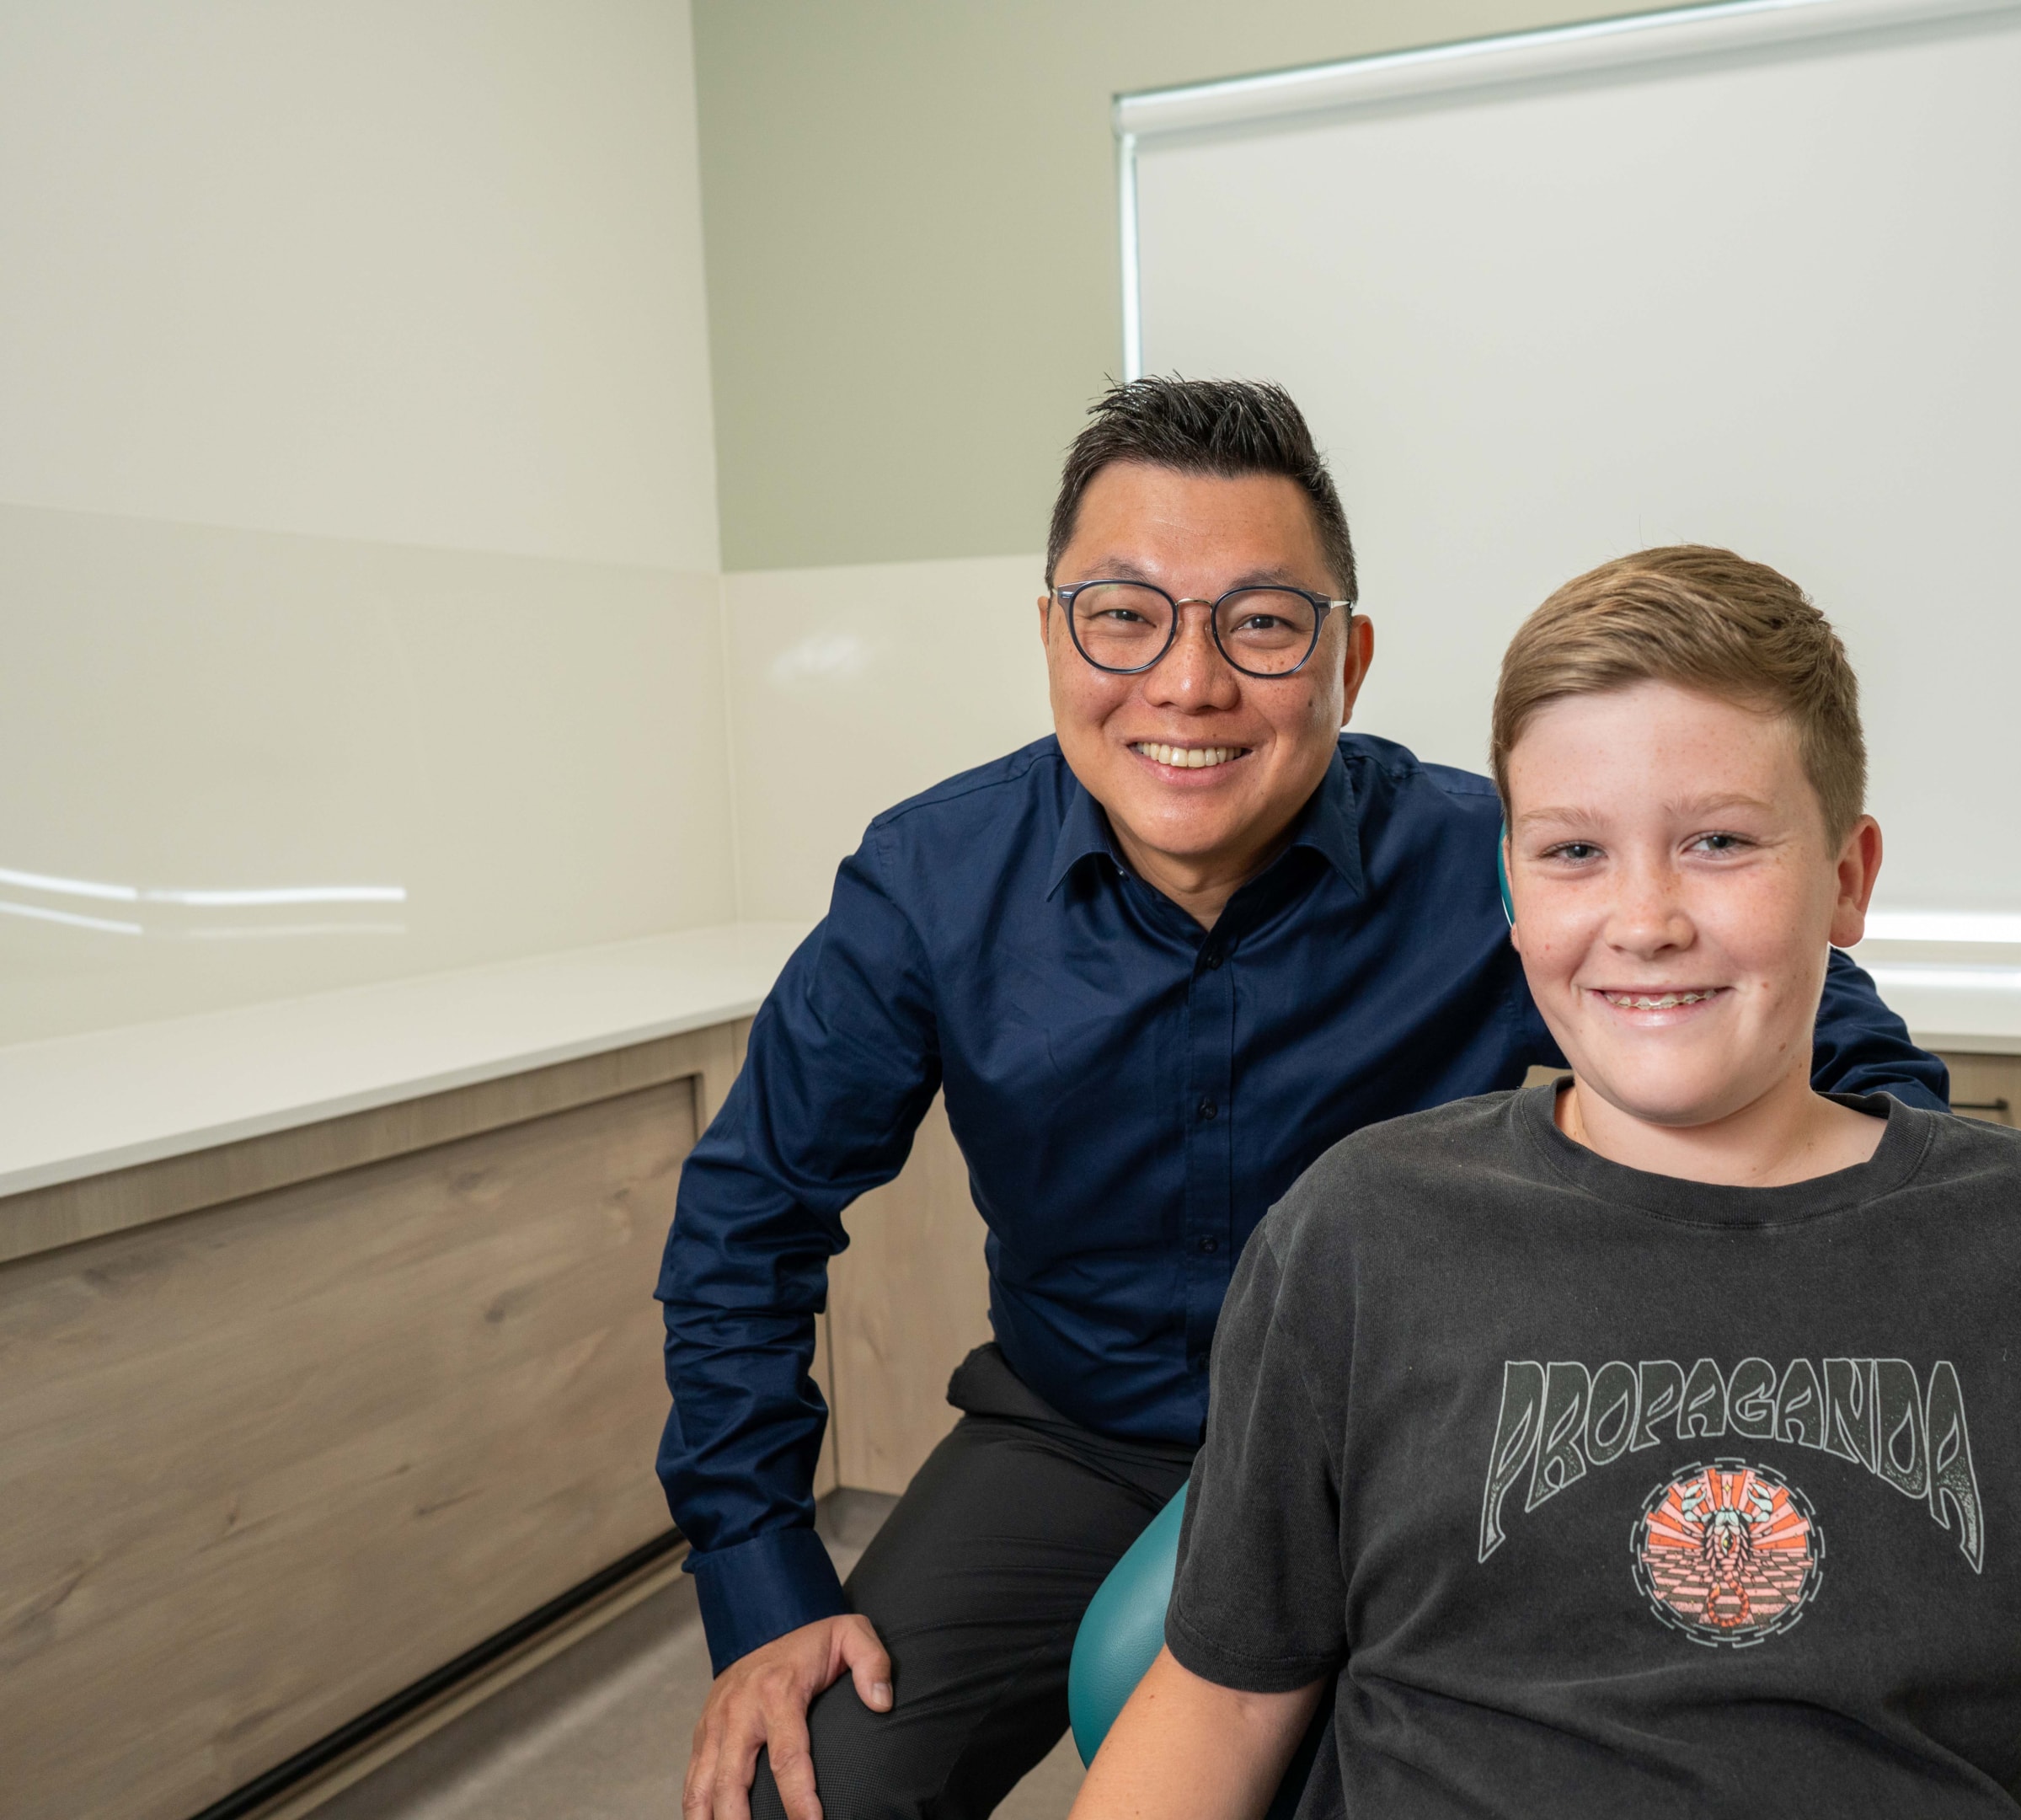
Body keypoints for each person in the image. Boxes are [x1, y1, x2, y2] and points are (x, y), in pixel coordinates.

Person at [658, 383, 1949, 1820]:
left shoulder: (1503, 860)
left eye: (1261, 624)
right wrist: (762, 1584)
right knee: (808, 1791)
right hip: (1071, 1436)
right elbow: (745, 1223)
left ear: (1351, 659)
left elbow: (1843, 1069)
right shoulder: (930, 881)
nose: (1188, 684)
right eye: (1124, 615)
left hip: (1407, 1451)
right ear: (1050, 640)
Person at [1073, 546, 2021, 1819]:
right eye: (1573, 853)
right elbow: (1223, 1701)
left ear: (1846, 878)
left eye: (1716, 842)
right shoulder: (1361, 1231)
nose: (1643, 920)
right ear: (1511, 891)